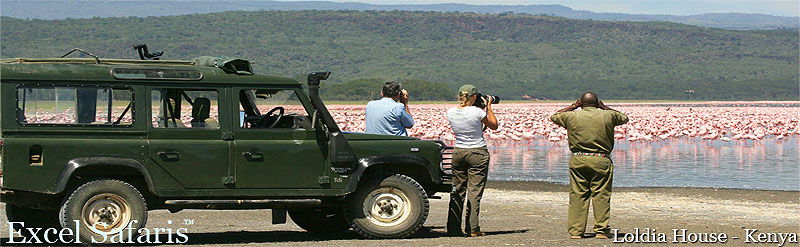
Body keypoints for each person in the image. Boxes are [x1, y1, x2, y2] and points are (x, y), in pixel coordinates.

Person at [550, 92, 629, 239]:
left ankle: (576, 231)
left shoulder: (571, 116)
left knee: (578, 195)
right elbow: (624, 117)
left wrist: (574, 106)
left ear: (581, 103)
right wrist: (604, 107)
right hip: (601, 159)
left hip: (578, 159)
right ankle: (601, 231)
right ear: (597, 102)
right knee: (601, 195)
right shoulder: (608, 116)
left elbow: (554, 116)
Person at [446, 84, 498, 237]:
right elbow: (494, 125)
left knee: (457, 190)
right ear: (474, 97)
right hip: (477, 152)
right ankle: (473, 228)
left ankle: (453, 228)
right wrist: (488, 106)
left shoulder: (451, 112)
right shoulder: (477, 112)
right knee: (474, 192)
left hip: (458, 152)